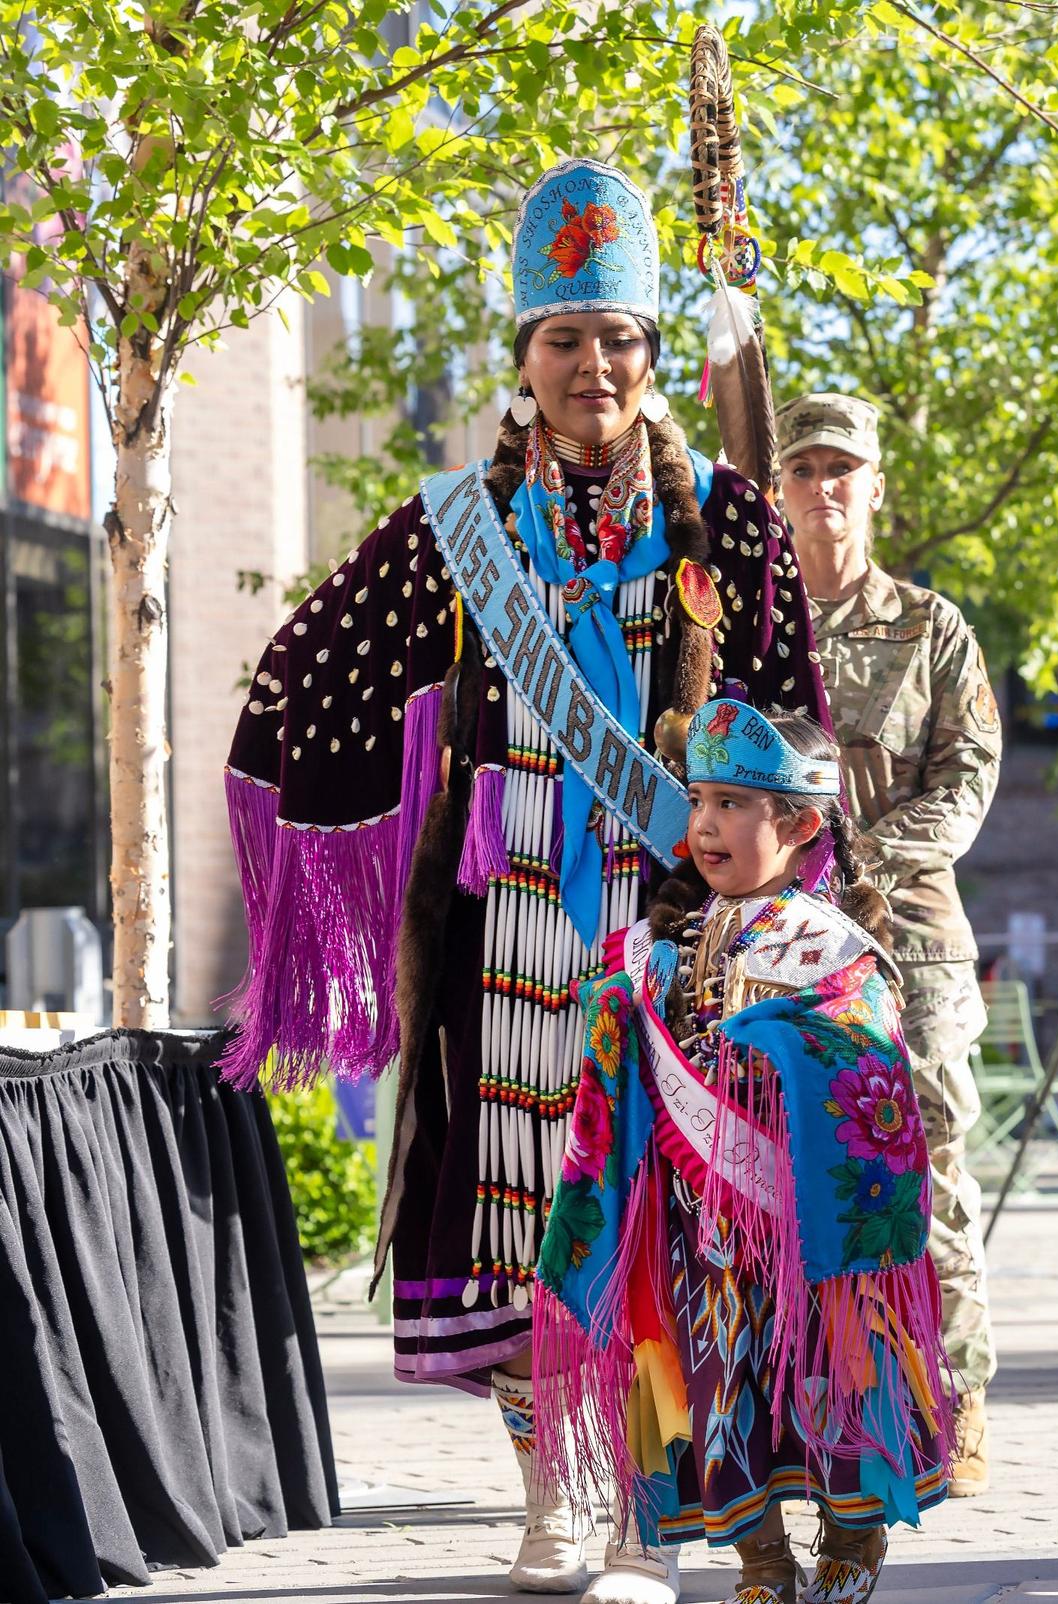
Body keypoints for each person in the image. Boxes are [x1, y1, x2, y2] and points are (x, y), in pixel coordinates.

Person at [221, 158, 829, 1602]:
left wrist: (781, 898)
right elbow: (319, 663)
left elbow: (798, 723)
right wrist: (315, 820)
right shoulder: (455, 529)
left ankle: (642, 1509)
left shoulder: (731, 523)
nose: (592, 366)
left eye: (616, 339)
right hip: (512, 932)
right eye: (564, 339)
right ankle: (556, 1492)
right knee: (524, 1208)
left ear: (650, 357)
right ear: (524, 358)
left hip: (678, 931)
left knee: (656, 1214)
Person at [533, 701, 952, 1604]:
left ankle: (853, 1533)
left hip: (804, 1229)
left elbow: (869, 1063)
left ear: (799, 825)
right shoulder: (663, 945)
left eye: (733, 803)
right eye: (700, 800)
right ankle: (761, 1558)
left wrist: (784, 1045)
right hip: (699, 1226)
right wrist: (622, 1011)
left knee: (830, 1373)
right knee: (715, 1383)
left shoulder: (830, 948)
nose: (708, 824)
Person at [774, 392, 1002, 1496]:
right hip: (783, 940)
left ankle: (956, 1403)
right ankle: (822, 1404)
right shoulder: (750, 628)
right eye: (805, 467)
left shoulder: (930, 625)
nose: (825, 486)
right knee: (795, 1173)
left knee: (934, 1167)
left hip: (911, 940)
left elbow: (967, 777)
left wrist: (862, 855)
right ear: (778, 489)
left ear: (875, 487)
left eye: (843, 468)